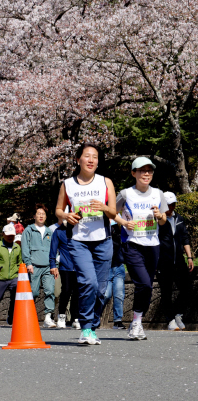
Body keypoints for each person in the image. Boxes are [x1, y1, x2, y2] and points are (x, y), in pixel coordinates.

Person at [55, 142, 117, 346]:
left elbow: (114, 213)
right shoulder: (68, 184)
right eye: (87, 156)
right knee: (88, 282)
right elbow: (58, 211)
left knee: (101, 289)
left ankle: (92, 324)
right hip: (79, 241)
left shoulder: (105, 182)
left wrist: (104, 207)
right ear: (78, 159)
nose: (91, 160)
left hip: (103, 241)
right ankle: (86, 327)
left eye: (95, 157)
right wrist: (66, 215)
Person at [114, 157, 168, 340]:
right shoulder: (126, 194)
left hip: (153, 245)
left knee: (147, 287)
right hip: (132, 244)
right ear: (133, 173)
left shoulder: (158, 194)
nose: (146, 174)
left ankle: (136, 321)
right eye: (142, 170)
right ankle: (136, 323)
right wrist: (123, 222)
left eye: (149, 171)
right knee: (144, 283)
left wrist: (160, 215)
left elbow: (163, 220)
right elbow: (111, 211)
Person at [158, 191, 194, 331]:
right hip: (163, 261)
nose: (171, 207)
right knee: (166, 291)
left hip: (178, 260)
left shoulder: (179, 218)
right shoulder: (158, 220)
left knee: (187, 288)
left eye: (173, 204)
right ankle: (170, 319)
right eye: (169, 205)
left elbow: (184, 238)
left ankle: (178, 313)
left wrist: (189, 257)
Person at [22, 204, 56, 328]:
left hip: (48, 266)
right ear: (34, 216)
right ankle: (29, 316)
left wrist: (54, 264)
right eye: (39, 214)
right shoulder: (28, 230)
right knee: (33, 292)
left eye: (43, 214)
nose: (41, 216)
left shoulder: (49, 231)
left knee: (50, 291)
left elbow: (54, 250)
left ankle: (48, 317)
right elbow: (25, 248)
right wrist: (28, 263)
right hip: (34, 266)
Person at [0, 224, 21, 326]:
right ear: (3, 234)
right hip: (0, 277)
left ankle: (11, 317)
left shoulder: (17, 247)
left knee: (15, 299)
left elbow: (19, 262)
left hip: (14, 277)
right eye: (8, 235)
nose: (10, 237)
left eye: (12, 235)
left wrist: (20, 272)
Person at [50, 218, 80, 329]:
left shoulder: (79, 230)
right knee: (66, 290)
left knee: (77, 292)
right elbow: (53, 249)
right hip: (65, 266)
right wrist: (53, 265)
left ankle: (75, 318)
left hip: (78, 266)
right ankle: (61, 315)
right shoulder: (58, 231)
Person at [103, 220, 126, 330]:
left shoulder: (120, 234)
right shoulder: (101, 234)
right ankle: (95, 316)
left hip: (118, 266)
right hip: (106, 268)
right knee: (105, 295)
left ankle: (118, 320)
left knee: (119, 294)